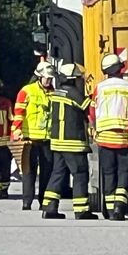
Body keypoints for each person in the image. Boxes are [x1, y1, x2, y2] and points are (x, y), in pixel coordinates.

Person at [42, 64, 95, 220]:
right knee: (80, 174)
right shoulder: (73, 93)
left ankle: (49, 208)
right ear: (73, 79)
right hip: (73, 142)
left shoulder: (56, 92)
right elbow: (88, 110)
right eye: (79, 78)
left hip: (57, 142)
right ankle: (81, 210)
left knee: (57, 173)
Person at [89, 54, 128, 221]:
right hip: (125, 137)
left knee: (108, 173)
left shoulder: (99, 88)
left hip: (104, 136)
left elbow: (92, 112)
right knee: (125, 172)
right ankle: (119, 207)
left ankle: (110, 211)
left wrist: (95, 128)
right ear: (121, 68)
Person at [13, 62, 56, 210]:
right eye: (46, 78)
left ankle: (43, 201)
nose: (49, 81)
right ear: (39, 77)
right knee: (28, 171)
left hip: (47, 139)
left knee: (47, 172)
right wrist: (17, 131)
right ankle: (27, 201)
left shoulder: (53, 92)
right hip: (29, 138)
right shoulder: (27, 91)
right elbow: (18, 113)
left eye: (50, 78)